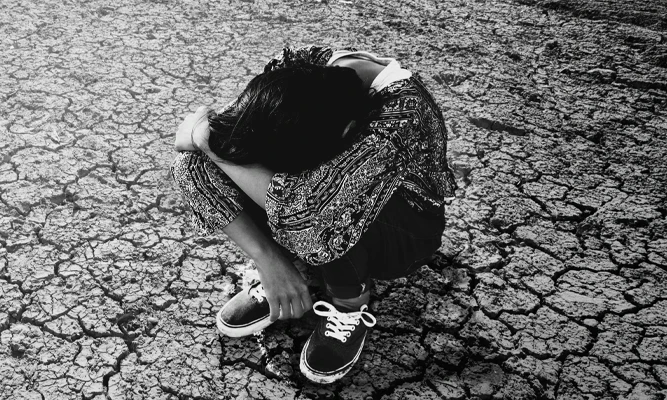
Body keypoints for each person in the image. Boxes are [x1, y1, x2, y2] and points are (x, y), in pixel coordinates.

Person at [171, 44, 456, 384]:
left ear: (348, 131)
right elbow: (200, 149)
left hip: (400, 229)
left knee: (319, 207)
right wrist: (269, 259)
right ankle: (292, 267)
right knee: (198, 164)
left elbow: (306, 207)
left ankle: (350, 304)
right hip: (312, 202)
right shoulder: (294, 69)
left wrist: (206, 140)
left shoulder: (401, 116)